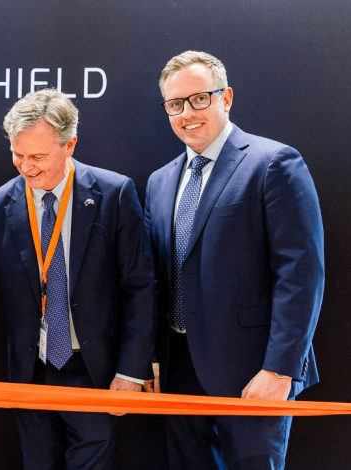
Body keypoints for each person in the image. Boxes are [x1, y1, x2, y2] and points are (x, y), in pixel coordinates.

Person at [0, 89, 156, 469]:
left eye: (38, 157)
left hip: (96, 372)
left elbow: (139, 287)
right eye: (17, 155)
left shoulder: (114, 194)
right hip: (32, 372)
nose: (26, 168)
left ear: (70, 144)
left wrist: (130, 370)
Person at [143, 50, 324, 469]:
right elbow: (155, 280)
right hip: (178, 371)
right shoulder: (159, 182)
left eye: (199, 99)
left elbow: (301, 276)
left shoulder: (274, 163)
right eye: (175, 104)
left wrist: (279, 371)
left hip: (253, 373)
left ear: (225, 98)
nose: (187, 113)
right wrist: (150, 357)